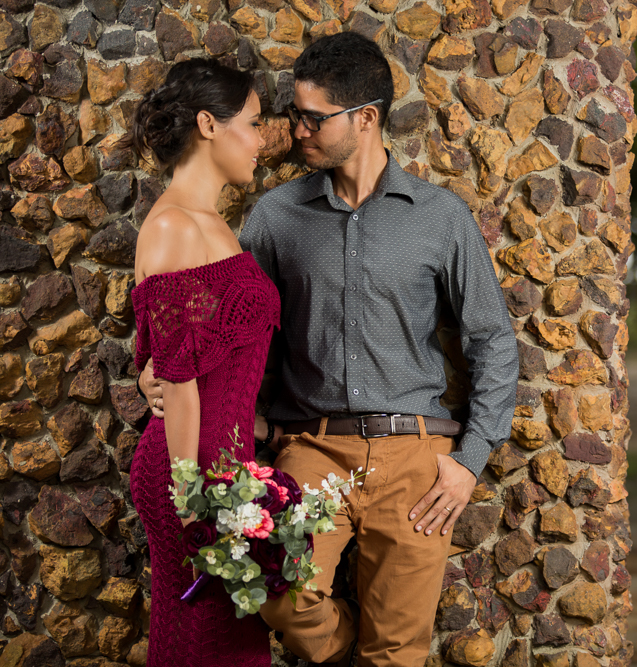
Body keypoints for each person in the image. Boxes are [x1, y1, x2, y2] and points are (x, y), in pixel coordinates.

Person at [141, 32, 518, 667]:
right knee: (267, 587)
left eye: (313, 118)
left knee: (398, 652)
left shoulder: (441, 217)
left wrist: (468, 460)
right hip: (310, 450)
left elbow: (492, 342)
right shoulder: (274, 215)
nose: (293, 132)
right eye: (292, 115)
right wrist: (165, 373)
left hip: (417, 461)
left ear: (365, 118)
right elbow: (228, 323)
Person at [125, 58, 279, 667]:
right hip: (187, 477)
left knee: (227, 645)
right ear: (209, 125)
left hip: (222, 471)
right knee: (204, 645)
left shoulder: (212, 223)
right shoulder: (172, 227)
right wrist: (193, 498)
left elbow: (192, 357)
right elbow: (179, 377)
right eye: (254, 122)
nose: (262, 140)